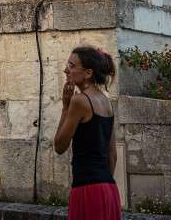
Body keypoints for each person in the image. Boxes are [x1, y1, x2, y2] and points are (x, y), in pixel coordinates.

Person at [52, 45, 120, 220]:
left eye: (71, 65)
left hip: (87, 189)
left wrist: (65, 108)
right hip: (109, 188)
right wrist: (102, 185)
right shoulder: (106, 101)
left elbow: (59, 146)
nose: (66, 70)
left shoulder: (80, 101)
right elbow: (112, 155)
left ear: (88, 73)